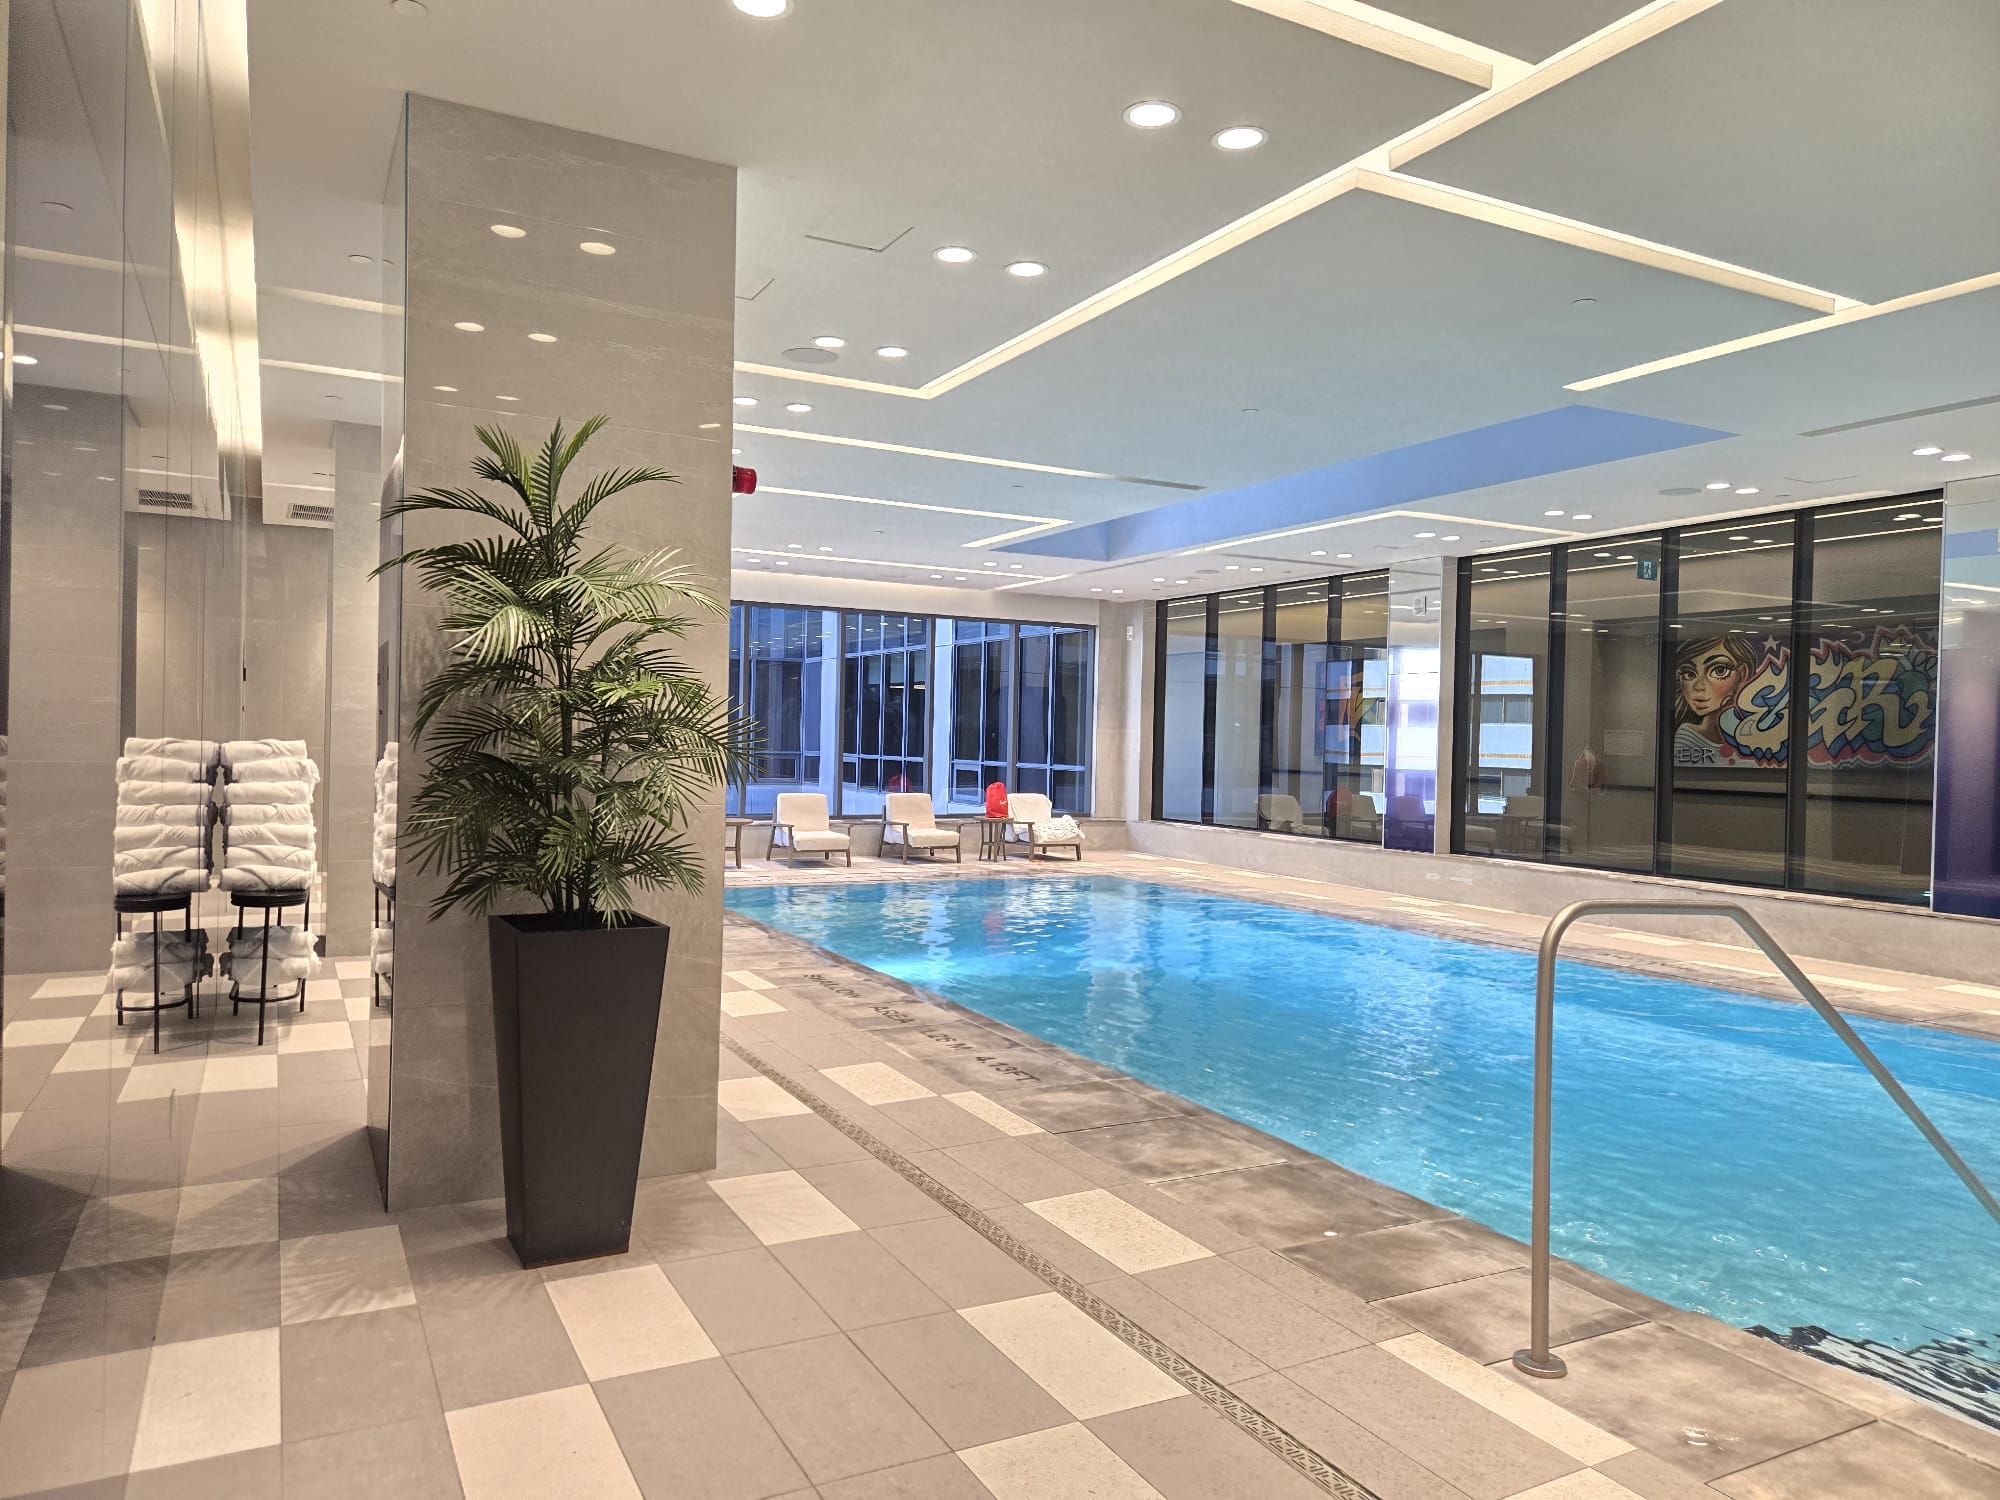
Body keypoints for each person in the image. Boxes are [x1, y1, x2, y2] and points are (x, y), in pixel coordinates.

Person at [1672, 634, 1758, 765]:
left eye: (1719, 670)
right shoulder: (1687, 738)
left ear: (1742, 675)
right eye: (1689, 673)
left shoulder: (1753, 735)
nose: (1698, 686)